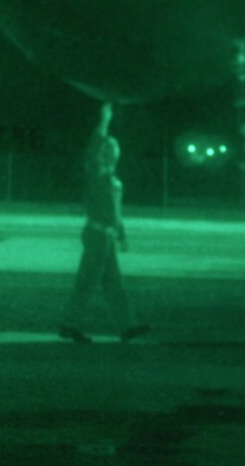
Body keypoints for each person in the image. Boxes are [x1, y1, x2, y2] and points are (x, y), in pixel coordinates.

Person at [59, 102, 150, 344]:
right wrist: (104, 120)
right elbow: (95, 147)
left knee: (113, 284)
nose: (115, 150)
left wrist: (122, 235)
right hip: (97, 234)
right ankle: (70, 324)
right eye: (112, 147)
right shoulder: (96, 174)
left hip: (107, 236)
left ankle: (127, 326)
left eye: (115, 147)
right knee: (88, 282)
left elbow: (116, 212)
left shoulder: (111, 178)